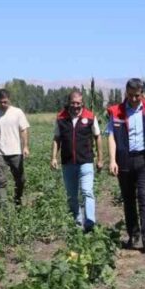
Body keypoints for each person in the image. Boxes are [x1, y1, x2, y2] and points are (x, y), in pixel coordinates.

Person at [106, 78, 145, 252]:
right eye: (130, 95)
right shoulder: (117, 111)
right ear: (126, 93)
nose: (134, 99)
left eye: (137, 95)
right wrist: (112, 160)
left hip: (144, 160)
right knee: (129, 199)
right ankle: (134, 236)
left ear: (142, 93)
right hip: (124, 160)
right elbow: (111, 136)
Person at [52, 90, 102, 231]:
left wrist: (100, 159)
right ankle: (78, 222)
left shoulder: (90, 116)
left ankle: (90, 221)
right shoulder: (61, 118)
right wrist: (53, 157)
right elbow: (56, 138)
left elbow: (98, 136)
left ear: (82, 103)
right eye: (73, 103)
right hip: (68, 163)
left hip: (86, 161)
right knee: (72, 196)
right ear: (69, 102)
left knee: (87, 191)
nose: (75, 106)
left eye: (78, 103)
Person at [0, 89, 30, 207]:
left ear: (9, 99)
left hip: (16, 152)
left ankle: (18, 201)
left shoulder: (17, 112)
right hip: (0, 152)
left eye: (5, 102)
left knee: (20, 180)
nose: (3, 104)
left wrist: (25, 147)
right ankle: (3, 208)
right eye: (0, 102)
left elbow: (24, 130)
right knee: (1, 181)